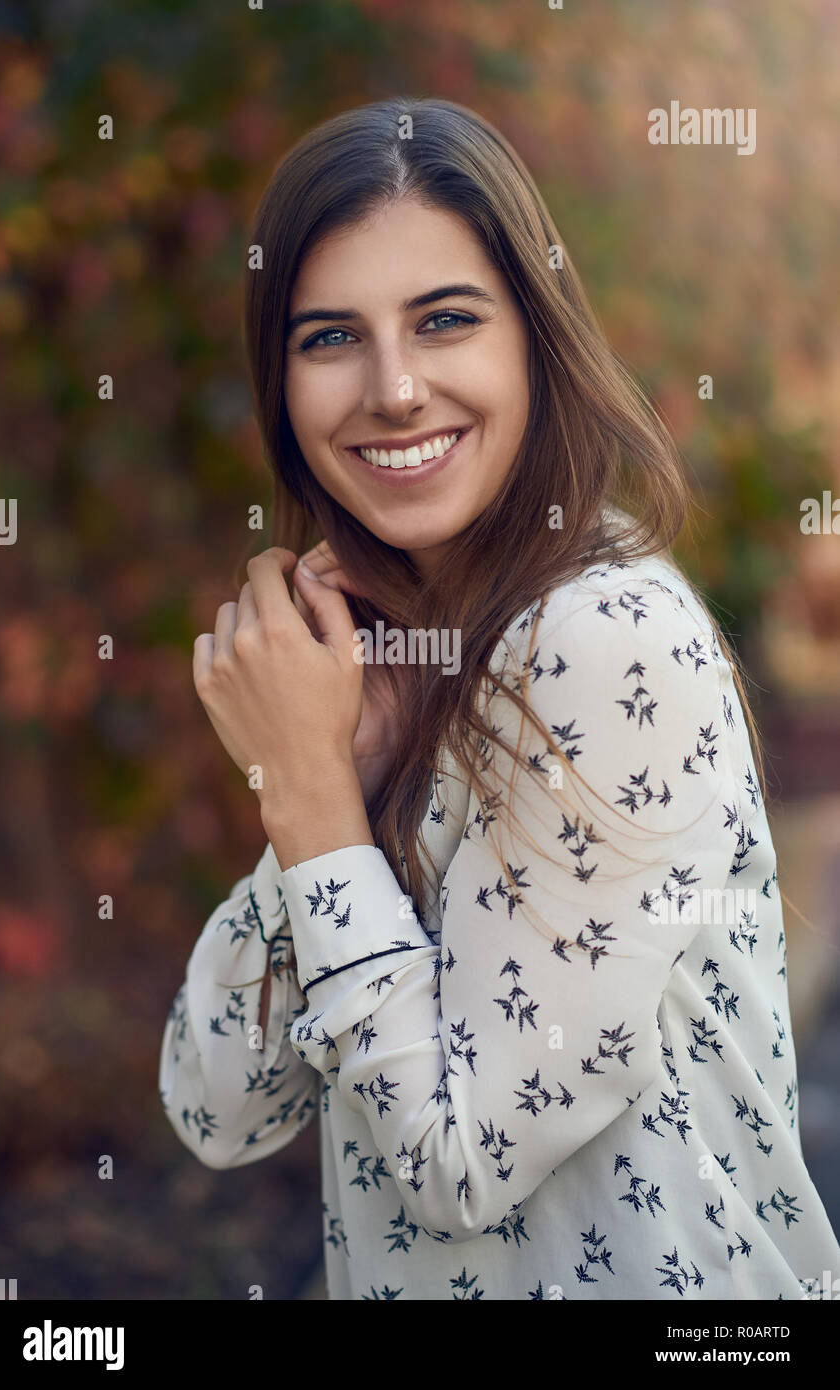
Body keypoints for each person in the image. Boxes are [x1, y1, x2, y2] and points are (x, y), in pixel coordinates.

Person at [159, 97, 840, 1300]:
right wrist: (335, 784)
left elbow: (461, 1160)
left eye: (446, 320)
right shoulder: (395, 655)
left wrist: (311, 796)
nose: (396, 388)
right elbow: (213, 1101)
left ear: (534, 335)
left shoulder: (605, 637)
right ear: (282, 385)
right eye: (329, 338)